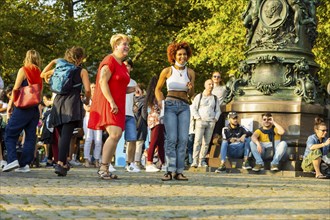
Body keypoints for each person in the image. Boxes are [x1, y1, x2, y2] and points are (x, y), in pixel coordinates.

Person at [88, 34, 134, 180]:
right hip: (109, 103)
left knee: (117, 135)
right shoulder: (110, 60)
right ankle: (102, 168)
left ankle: (106, 168)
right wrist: (111, 102)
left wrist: (133, 89)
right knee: (114, 134)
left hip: (119, 103)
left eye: (127, 44)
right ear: (115, 46)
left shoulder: (122, 64)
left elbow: (119, 86)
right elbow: (102, 82)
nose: (126, 47)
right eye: (123, 44)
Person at [41, 46, 91, 176]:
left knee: (61, 135)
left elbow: (42, 74)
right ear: (80, 58)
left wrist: (53, 61)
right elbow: (88, 90)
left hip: (58, 103)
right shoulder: (82, 71)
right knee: (66, 137)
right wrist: (86, 100)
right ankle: (60, 163)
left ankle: (62, 162)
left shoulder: (59, 68)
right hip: (72, 104)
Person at [155, 41, 195, 181]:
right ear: (174, 56)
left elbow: (191, 94)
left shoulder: (190, 72)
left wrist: (190, 88)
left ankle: (179, 171)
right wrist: (160, 102)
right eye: (179, 54)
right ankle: (169, 170)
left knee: (183, 139)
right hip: (170, 105)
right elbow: (158, 89)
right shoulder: (167, 71)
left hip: (184, 106)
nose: (182, 57)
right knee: (171, 139)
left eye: (184, 54)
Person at [2, 50, 43, 172]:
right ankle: (25, 164)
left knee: (10, 133)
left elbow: (15, 89)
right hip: (34, 108)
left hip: (22, 107)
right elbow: (40, 94)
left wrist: (10, 104)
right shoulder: (39, 72)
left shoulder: (24, 70)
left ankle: (12, 160)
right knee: (30, 136)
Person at [191, 79, 220, 168]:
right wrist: (198, 118)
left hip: (210, 122)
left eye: (212, 84)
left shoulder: (215, 98)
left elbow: (218, 110)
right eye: (209, 84)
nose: (211, 86)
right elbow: (194, 108)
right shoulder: (199, 96)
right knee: (197, 141)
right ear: (205, 85)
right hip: (201, 121)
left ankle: (202, 160)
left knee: (206, 142)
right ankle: (195, 160)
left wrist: (215, 119)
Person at [123, 58, 142, 173]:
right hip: (119, 112)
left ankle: (130, 163)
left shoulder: (133, 82)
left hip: (130, 114)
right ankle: (108, 163)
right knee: (114, 138)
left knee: (133, 139)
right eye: (124, 65)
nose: (126, 67)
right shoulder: (117, 79)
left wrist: (135, 105)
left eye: (128, 66)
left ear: (131, 68)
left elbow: (133, 97)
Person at [145, 76, 165, 172]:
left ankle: (163, 162)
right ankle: (149, 162)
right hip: (157, 118)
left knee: (160, 142)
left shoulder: (151, 95)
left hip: (156, 119)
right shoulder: (157, 94)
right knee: (154, 141)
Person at [83, 83, 103, 168]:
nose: (94, 89)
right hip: (88, 119)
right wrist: (96, 108)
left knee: (98, 141)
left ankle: (96, 159)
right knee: (88, 139)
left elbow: (101, 109)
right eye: (92, 87)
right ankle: (86, 159)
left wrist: (93, 108)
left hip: (98, 120)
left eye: (95, 87)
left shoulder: (100, 98)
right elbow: (87, 109)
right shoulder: (86, 98)